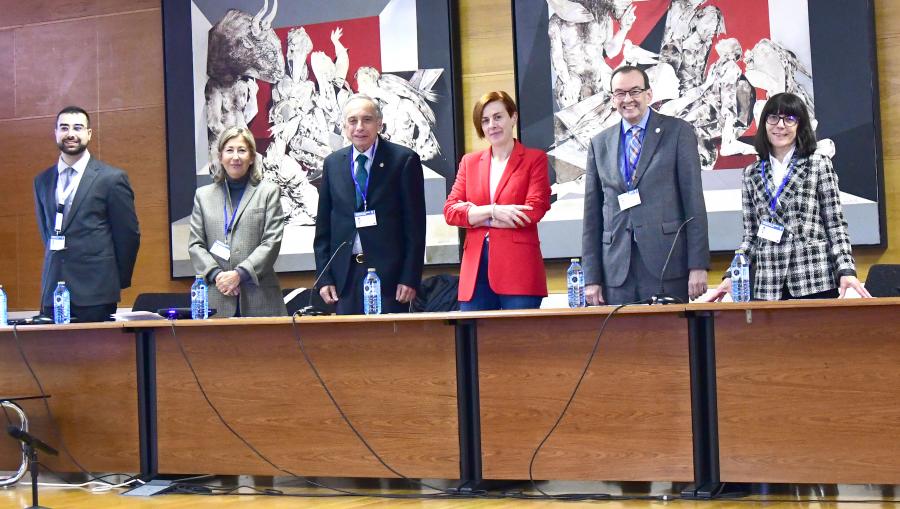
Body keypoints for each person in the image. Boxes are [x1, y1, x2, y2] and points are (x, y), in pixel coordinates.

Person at [710, 93, 871, 300]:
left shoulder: (818, 163)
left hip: (813, 279)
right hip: (768, 283)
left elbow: (835, 225)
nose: (780, 125)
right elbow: (751, 237)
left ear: (800, 125)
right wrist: (732, 274)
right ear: (765, 123)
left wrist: (846, 270)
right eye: (773, 118)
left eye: (789, 119)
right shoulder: (751, 173)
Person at [582, 66, 709, 305]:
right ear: (612, 99)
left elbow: (694, 203)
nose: (627, 99)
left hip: (667, 265)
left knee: (669, 340)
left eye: (635, 91)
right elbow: (592, 217)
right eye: (620, 93)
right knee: (621, 341)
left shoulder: (678, 132)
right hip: (616, 271)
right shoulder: (600, 144)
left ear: (649, 95)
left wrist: (698, 265)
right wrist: (592, 278)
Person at [313, 94, 426, 314]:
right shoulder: (333, 163)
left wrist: (410, 277)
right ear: (344, 126)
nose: (359, 127)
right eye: (352, 121)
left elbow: (415, 227)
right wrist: (324, 276)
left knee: (387, 345)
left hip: (390, 277)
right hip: (345, 276)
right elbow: (323, 228)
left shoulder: (403, 160)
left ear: (379, 124)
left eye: (367, 119)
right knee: (350, 344)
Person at [443, 91, 551, 310]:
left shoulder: (534, 159)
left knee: (518, 342)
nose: (492, 124)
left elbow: (533, 210)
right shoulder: (469, 162)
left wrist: (475, 215)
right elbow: (451, 211)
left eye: (498, 117)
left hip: (518, 271)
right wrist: (492, 211)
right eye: (485, 120)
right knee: (476, 343)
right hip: (475, 273)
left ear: (513, 117)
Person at [33, 106, 141, 322]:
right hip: (52, 290)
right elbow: (46, 231)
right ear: (55, 133)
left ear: (89, 134)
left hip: (95, 291)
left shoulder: (111, 178)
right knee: (51, 355)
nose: (70, 133)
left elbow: (128, 236)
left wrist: (113, 279)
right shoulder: (42, 180)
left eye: (78, 127)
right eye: (64, 128)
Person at [188, 127, 287, 317]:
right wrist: (218, 276)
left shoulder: (268, 192)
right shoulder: (203, 196)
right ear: (220, 156)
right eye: (229, 150)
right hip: (218, 297)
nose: (235, 157)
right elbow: (196, 245)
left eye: (242, 150)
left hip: (261, 299)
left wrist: (239, 275)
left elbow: (271, 242)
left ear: (251, 157)